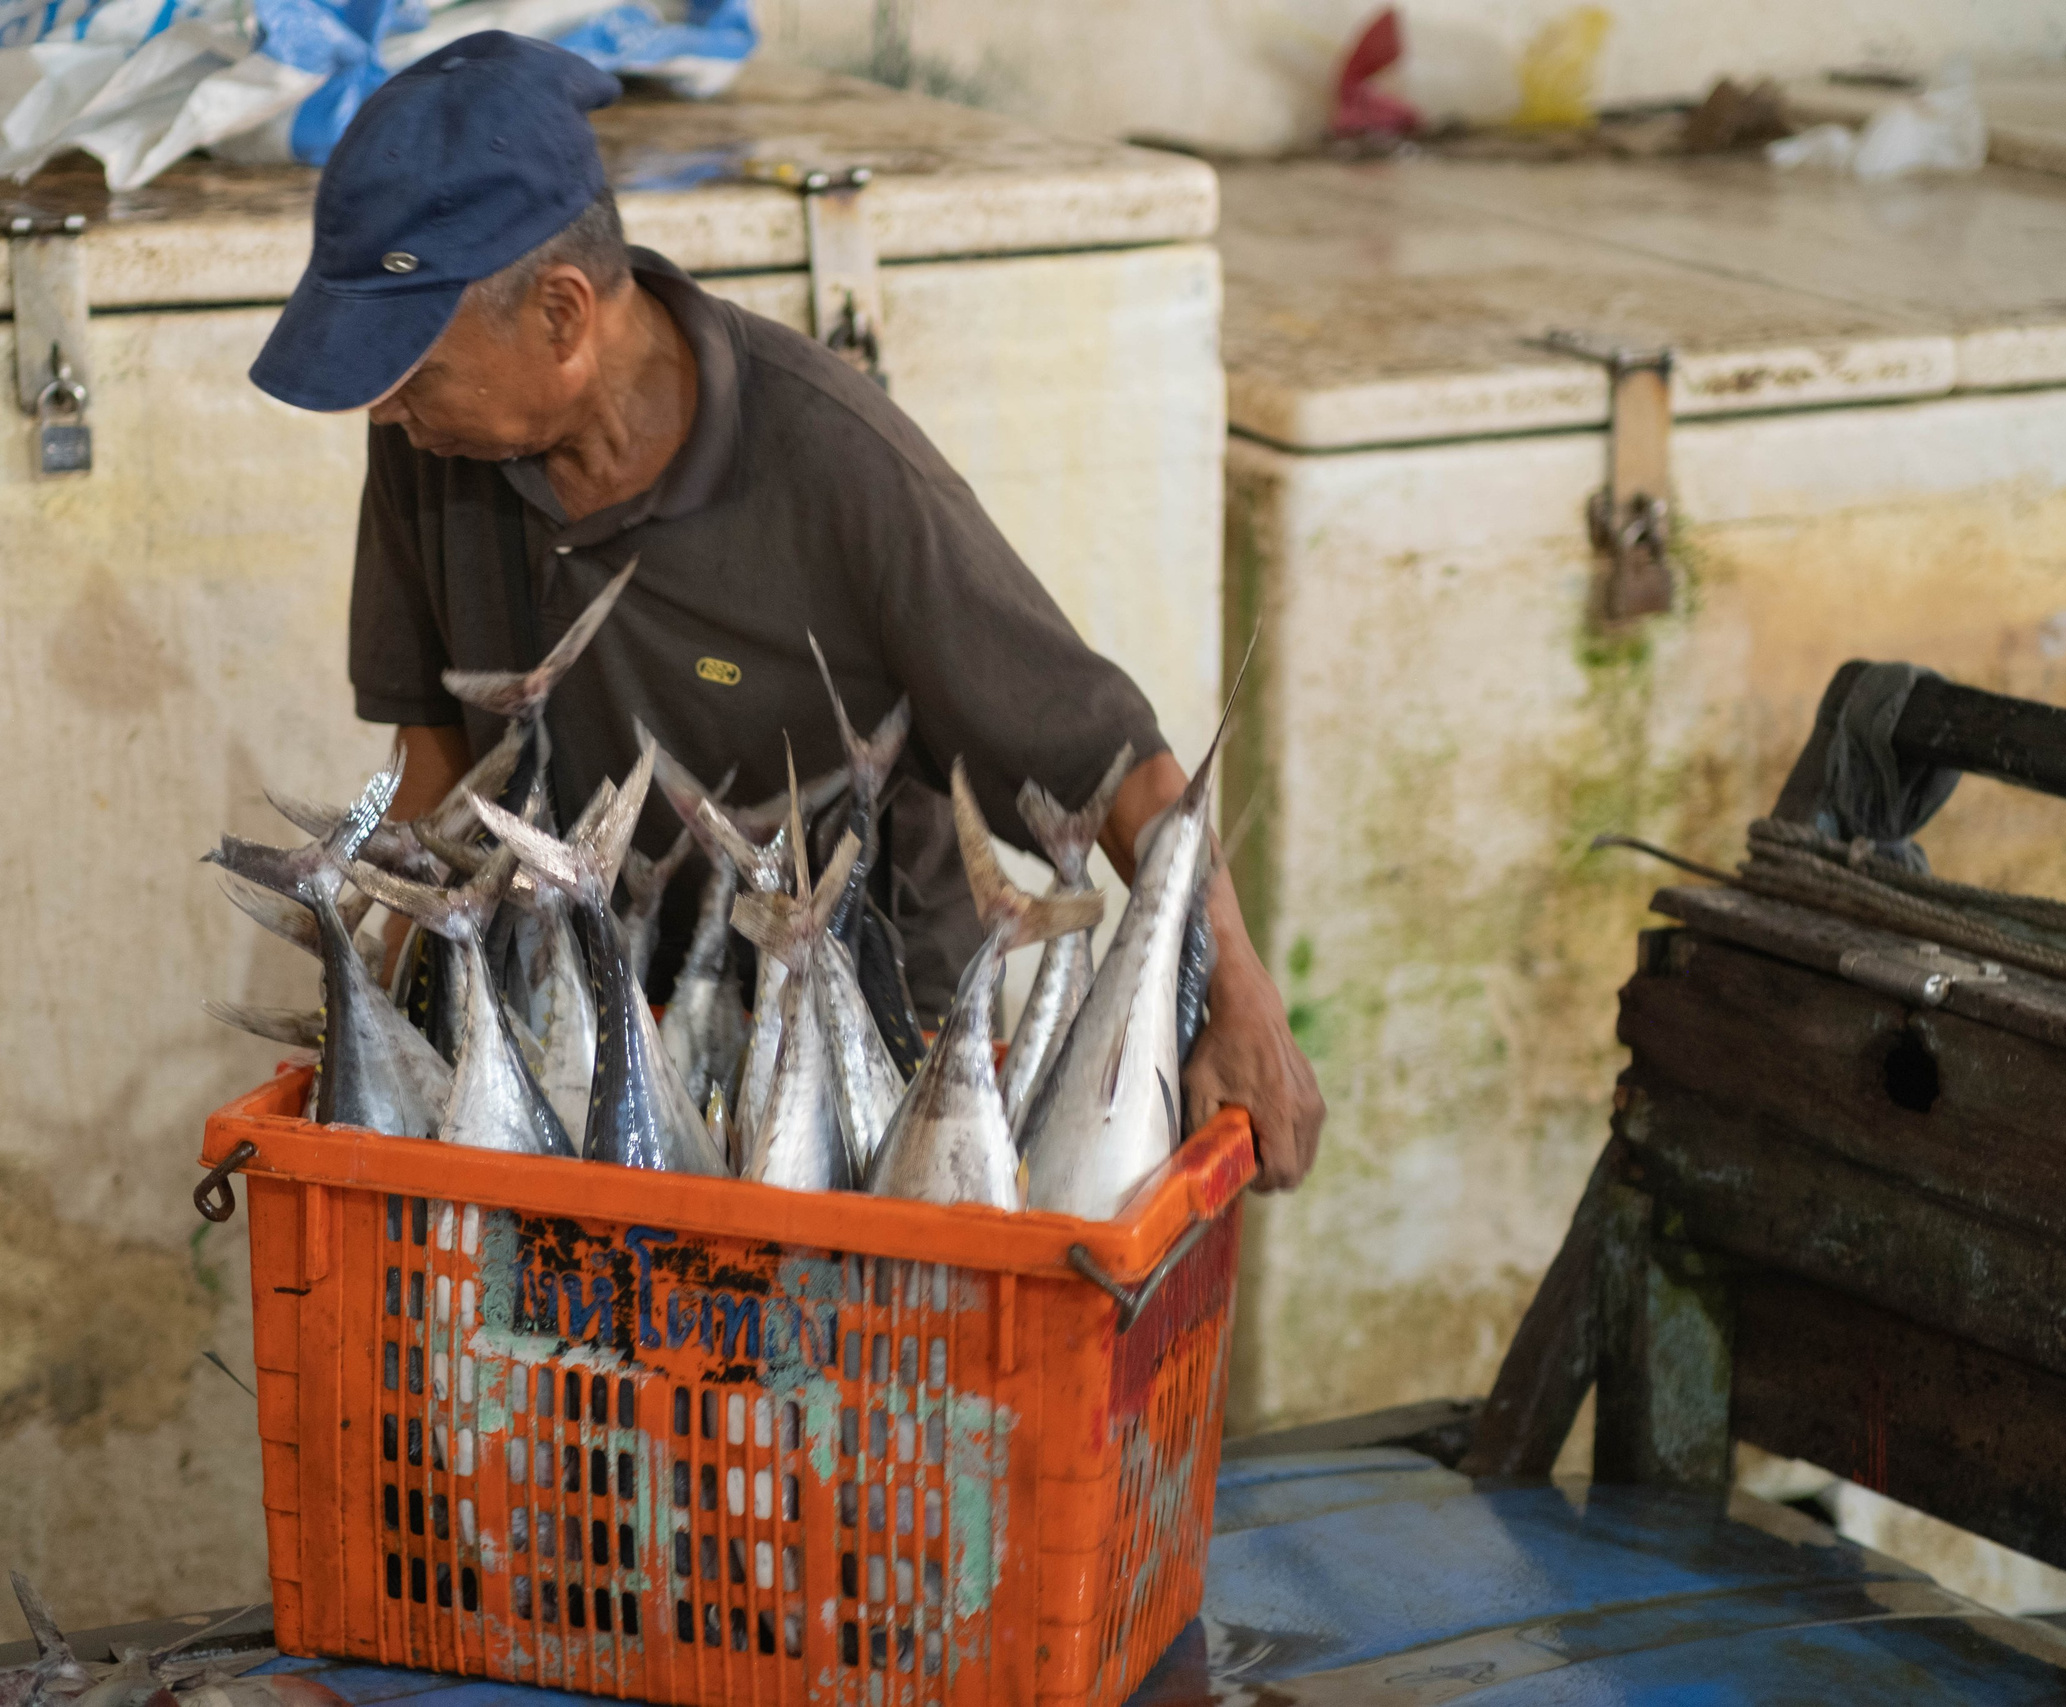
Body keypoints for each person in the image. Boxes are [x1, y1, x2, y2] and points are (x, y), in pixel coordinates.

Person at [248, 32, 1322, 1188]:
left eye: (409, 366)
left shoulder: (836, 464)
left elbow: (1109, 757)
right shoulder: (432, 443)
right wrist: (379, 981)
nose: (388, 405)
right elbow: (436, 759)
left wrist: (1238, 998)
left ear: (562, 316)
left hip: (865, 1071)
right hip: (596, 1042)